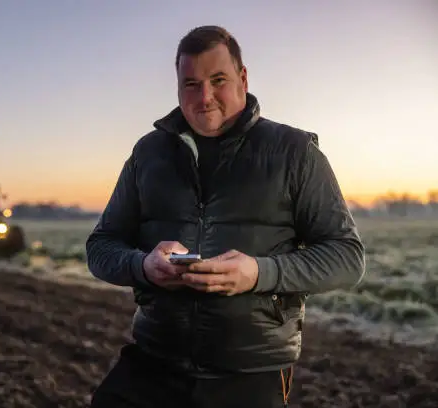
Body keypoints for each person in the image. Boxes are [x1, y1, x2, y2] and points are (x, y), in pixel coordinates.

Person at [85, 25, 365, 408]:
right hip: (154, 361)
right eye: (191, 84)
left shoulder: (295, 153)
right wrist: (143, 265)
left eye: (218, 80)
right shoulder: (148, 154)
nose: (205, 97)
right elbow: (101, 246)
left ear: (243, 78)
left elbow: (347, 257)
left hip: (250, 370)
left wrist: (259, 273)